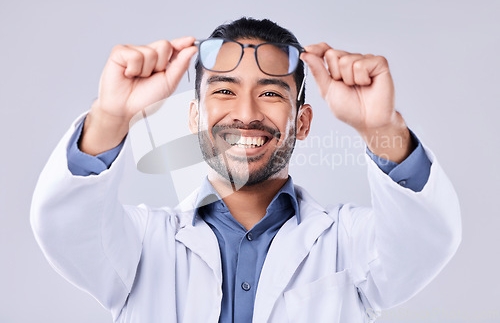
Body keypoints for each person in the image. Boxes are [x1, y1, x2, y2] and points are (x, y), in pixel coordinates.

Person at [31, 17, 461, 323]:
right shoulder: (141, 246)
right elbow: (67, 226)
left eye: (271, 93)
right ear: (193, 116)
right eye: (224, 90)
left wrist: (380, 128)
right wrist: (110, 116)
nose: (246, 114)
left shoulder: (346, 245)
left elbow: (426, 240)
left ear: (304, 122)